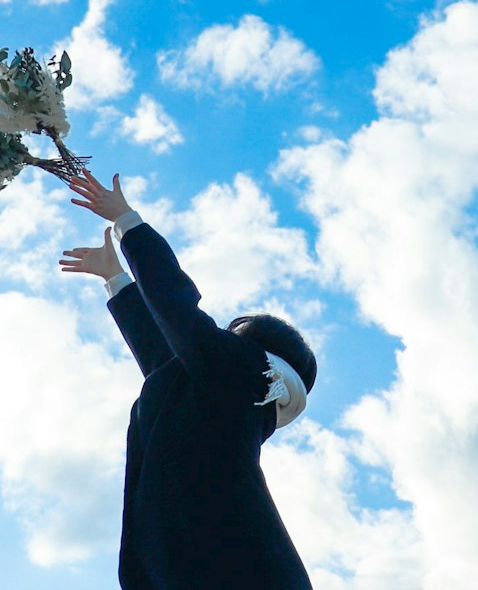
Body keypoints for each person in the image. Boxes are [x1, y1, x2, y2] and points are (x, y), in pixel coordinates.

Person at [60, 168, 316, 590]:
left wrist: (128, 222)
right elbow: (161, 354)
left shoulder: (241, 371)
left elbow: (176, 309)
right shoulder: (212, 391)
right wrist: (115, 278)